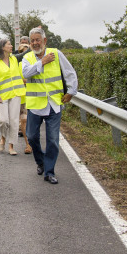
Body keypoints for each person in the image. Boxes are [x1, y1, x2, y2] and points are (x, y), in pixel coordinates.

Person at [22, 27, 79, 184]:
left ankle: (49, 171)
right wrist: (42, 62)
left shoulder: (56, 53)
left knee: (53, 140)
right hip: (35, 106)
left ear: (44, 41)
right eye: (32, 40)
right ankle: (40, 162)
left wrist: (72, 91)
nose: (34, 43)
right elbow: (26, 74)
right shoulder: (27, 58)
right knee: (32, 137)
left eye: (37, 40)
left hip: (54, 103)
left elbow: (69, 72)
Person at [0, 39, 27, 155]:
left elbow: (27, 52)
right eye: (9, 44)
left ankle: (11, 146)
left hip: (16, 94)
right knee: (3, 120)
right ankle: (3, 138)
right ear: (2, 48)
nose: (11, 46)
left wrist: (29, 42)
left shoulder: (15, 58)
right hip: (3, 95)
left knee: (14, 121)